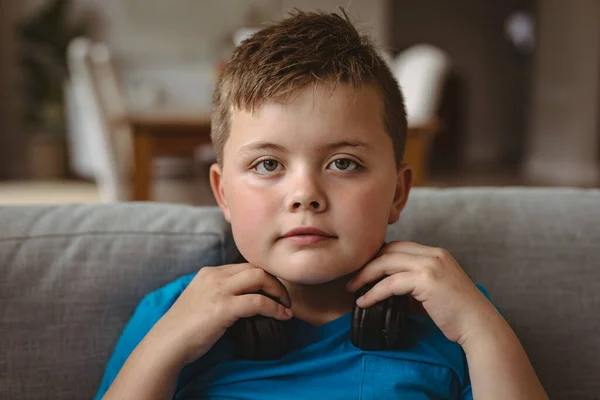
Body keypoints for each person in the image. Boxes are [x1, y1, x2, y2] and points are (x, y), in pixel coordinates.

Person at [96, 9, 548, 400]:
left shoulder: (456, 315)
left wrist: (480, 331)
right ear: (222, 194)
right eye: (268, 163)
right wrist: (168, 343)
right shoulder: (172, 314)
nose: (304, 194)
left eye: (344, 163)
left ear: (397, 192)